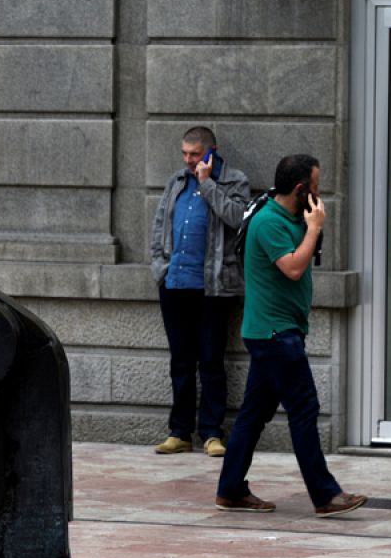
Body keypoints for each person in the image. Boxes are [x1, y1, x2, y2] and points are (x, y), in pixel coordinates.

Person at [215, 154, 367, 517]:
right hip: (274, 334)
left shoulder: (289, 215)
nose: (318, 194)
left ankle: (231, 489)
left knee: (254, 414)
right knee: (304, 409)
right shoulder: (269, 221)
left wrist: (311, 226)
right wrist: (315, 229)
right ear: (300, 189)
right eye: (314, 187)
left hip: (279, 331)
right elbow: (294, 269)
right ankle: (326, 495)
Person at [149, 126, 249, 457]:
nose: (188, 160)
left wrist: (207, 184)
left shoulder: (234, 181)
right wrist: (159, 269)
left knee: (211, 361)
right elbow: (160, 225)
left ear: (211, 151)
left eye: (194, 154)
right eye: (185, 154)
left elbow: (238, 218)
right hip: (174, 284)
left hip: (213, 288)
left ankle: (211, 432)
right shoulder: (177, 181)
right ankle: (180, 432)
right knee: (180, 361)